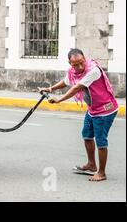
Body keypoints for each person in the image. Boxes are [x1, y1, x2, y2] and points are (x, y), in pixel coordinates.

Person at [39, 48, 119, 182]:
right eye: (75, 64)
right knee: (87, 136)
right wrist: (50, 88)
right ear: (70, 63)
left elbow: (77, 88)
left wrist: (59, 100)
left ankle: (102, 173)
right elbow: (66, 81)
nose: (79, 67)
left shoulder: (93, 70)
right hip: (93, 109)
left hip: (105, 110)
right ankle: (92, 164)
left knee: (101, 141)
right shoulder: (73, 72)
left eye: (81, 62)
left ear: (84, 58)